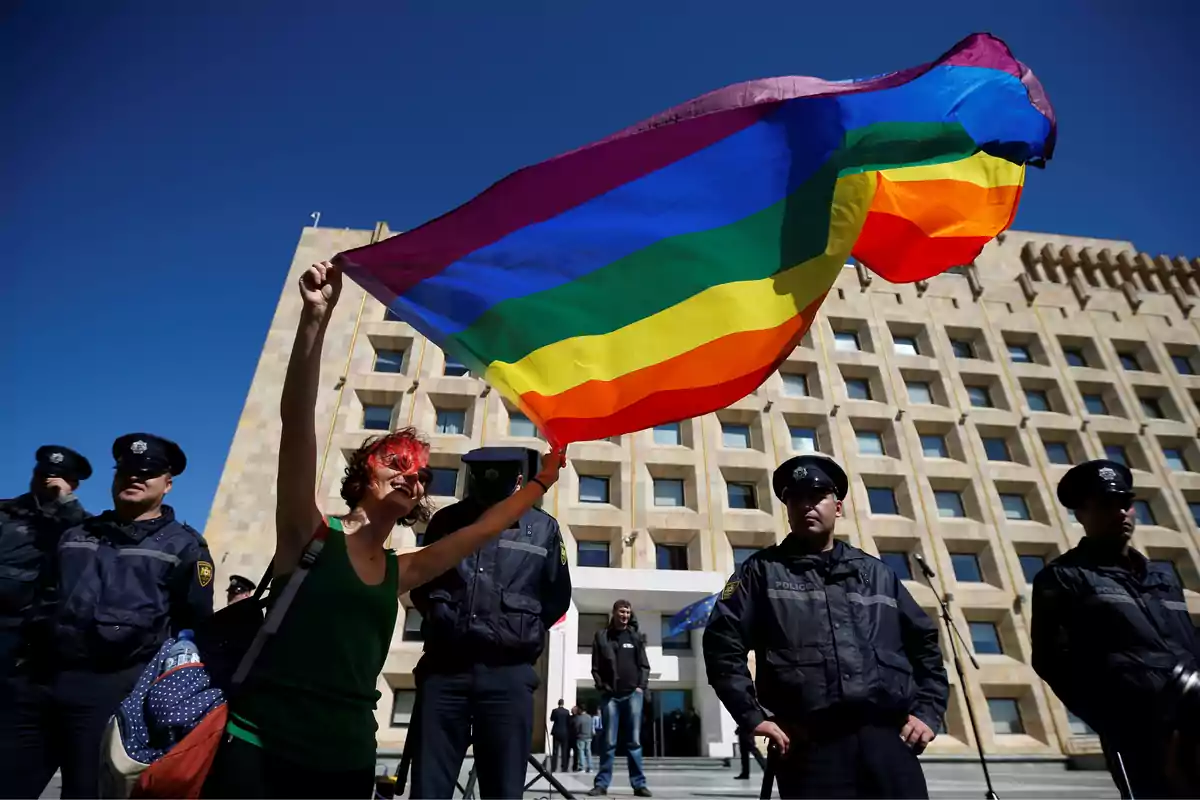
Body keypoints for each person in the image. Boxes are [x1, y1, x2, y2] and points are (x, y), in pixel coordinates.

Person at [200, 260, 566, 800]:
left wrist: (541, 482)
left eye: (421, 474)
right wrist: (314, 321)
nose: (410, 476)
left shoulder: (403, 569)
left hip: (348, 756)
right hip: (262, 748)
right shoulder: (307, 533)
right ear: (363, 473)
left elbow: (484, 529)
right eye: (397, 461)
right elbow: (297, 422)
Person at [703, 454, 948, 800]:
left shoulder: (878, 574)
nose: (807, 506)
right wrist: (751, 715)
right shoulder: (759, 572)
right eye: (795, 498)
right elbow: (721, 644)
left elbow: (925, 646)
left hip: (889, 741)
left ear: (838, 505)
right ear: (787, 509)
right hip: (808, 748)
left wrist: (926, 712)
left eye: (816, 496)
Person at [0, 433, 211, 799]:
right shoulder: (76, 534)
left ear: (168, 484)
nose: (134, 478)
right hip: (40, 685)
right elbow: (42, 599)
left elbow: (193, 625)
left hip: (112, 694)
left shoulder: (185, 546)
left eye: (147, 472)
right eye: (126, 470)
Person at [408, 445, 572, 799]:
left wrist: (516, 631)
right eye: (480, 476)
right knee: (429, 788)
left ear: (517, 480)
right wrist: (445, 618)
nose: (487, 483)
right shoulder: (445, 522)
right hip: (444, 671)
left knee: (503, 790)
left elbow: (557, 595)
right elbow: (422, 584)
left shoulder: (543, 528)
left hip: (508, 674)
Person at [1031, 460, 1200, 799]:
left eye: (1126, 503)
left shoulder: (1164, 578)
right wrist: (1114, 719)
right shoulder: (1062, 577)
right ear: (1081, 514)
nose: (1121, 513)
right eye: (1107, 505)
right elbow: (1050, 660)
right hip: (1139, 735)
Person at [0, 445, 91, 675]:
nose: (46, 482)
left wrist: (66, 502)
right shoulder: (5, 513)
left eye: (56, 479)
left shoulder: (81, 524)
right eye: (41, 475)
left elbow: (88, 542)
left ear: (73, 484)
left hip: (42, 632)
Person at [589, 599, 652, 797]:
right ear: (614, 613)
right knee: (608, 743)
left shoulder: (635, 637)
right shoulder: (602, 636)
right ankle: (601, 784)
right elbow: (596, 667)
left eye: (627, 612)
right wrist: (602, 686)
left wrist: (641, 687)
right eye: (621, 612)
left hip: (633, 695)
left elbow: (644, 665)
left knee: (634, 742)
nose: (625, 615)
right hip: (610, 697)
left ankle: (639, 784)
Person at [550, 699, 571, 772]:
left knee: (555, 750)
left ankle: (553, 767)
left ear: (558, 703)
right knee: (564, 750)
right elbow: (568, 721)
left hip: (556, 732)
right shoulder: (566, 712)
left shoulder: (555, 711)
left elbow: (551, 719)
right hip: (564, 732)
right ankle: (564, 767)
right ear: (563, 703)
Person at [573, 705, 594, 773]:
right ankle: (590, 767)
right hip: (588, 737)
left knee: (581, 752)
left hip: (581, 737)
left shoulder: (579, 718)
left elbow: (576, 727)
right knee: (588, 752)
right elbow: (591, 727)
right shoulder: (589, 717)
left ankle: (582, 767)